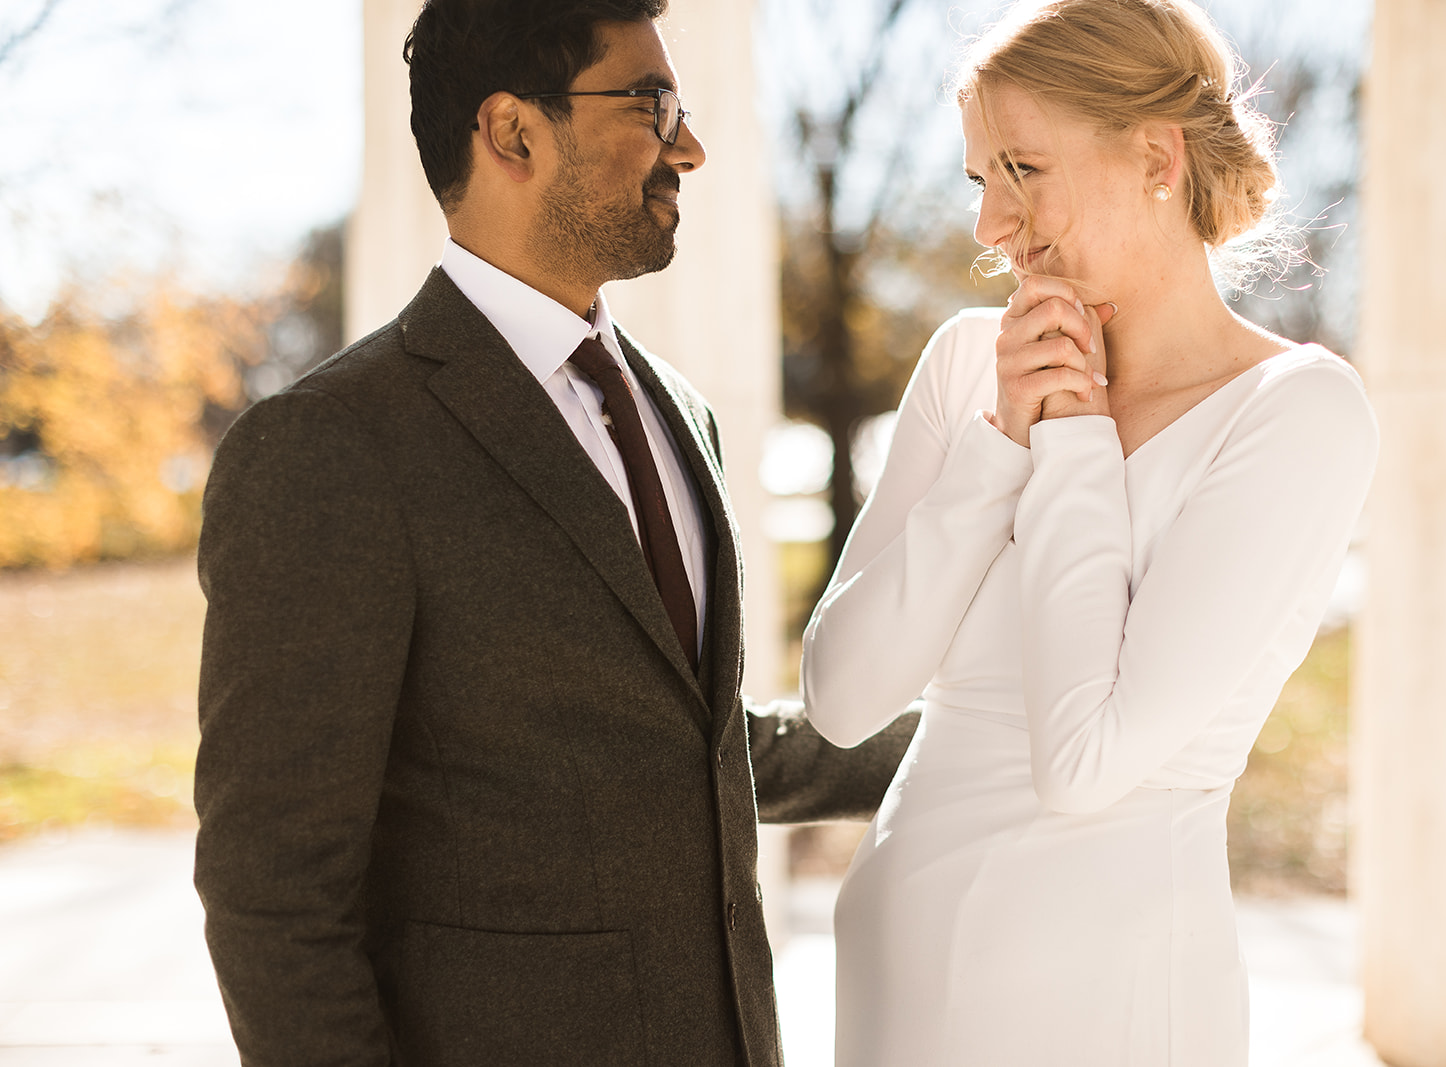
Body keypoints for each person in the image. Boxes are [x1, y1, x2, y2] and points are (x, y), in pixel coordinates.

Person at [192, 2, 914, 1064]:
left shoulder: (679, 412)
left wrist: (978, 736)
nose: (692, 147)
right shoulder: (329, 448)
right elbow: (273, 887)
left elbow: (695, 744)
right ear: (513, 132)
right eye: (652, 103)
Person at [800, 0, 1380, 1063]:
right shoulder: (968, 366)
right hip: (894, 991)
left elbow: (1085, 757)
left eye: (1022, 167)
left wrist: (1070, 437)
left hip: (1104, 1006)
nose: (988, 225)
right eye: (982, 179)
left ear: (1156, 157)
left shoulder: (1297, 411)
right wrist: (995, 450)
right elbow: (841, 697)